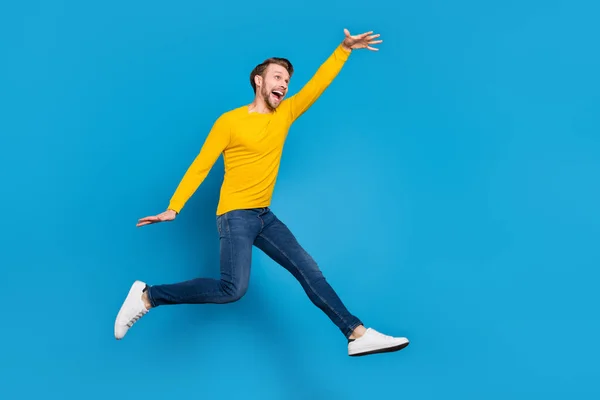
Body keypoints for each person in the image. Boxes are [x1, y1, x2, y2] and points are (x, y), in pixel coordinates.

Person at [114, 28, 409, 357]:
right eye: (278, 77)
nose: (283, 85)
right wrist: (174, 207)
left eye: (287, 81)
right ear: (259, 80)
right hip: (235, 216)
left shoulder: (285, 115)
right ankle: (147, 296)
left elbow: (318, 84)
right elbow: (201, 164)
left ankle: (357, 333)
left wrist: (344, 49)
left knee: (308, 270)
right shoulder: (230, 121)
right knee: (232, 289)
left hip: (264, 217)